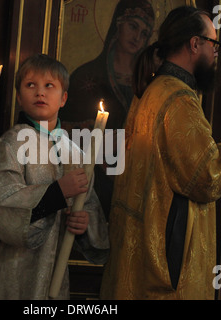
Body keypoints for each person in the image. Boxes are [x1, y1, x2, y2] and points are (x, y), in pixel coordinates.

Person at [100, 6, 221, 300]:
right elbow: (205, 175)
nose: (216, 53)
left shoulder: (151, 89)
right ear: (194, 43)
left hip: (139, 257)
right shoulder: (180, 100)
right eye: (213, 44)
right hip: (166, 272)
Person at [0, 54, 109, 300]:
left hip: (55, 274)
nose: (40, 92)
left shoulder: (78, 154)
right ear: (19, 96)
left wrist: (83, 225)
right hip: (14, 268)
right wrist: (56, 193)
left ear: (64, 98)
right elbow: (0, 206)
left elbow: (89, 208)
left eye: (49, 85)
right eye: (31, 85)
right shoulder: (11, 143)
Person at [60, 0, 155, 218]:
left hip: (134, 181)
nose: (137, 37)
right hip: (91, 181)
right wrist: (100, 140)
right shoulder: (86, 76)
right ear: (117, 24)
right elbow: (61, 133)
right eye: (133, 26)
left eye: (144, 33)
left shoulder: (148, 84)